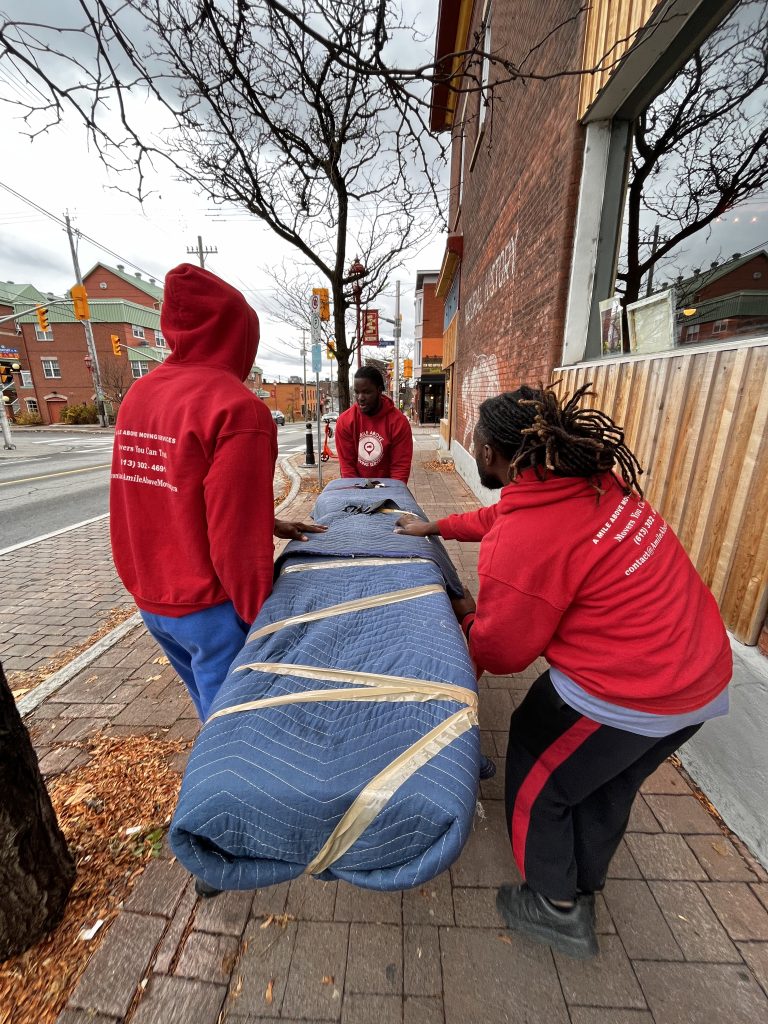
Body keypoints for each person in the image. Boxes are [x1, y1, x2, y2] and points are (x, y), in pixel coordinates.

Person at [396, 383, 731, 960]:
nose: (474, 450)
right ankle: (581, 882)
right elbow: (502, 514)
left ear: (496, 455)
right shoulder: (589, 481)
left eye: (477, 442)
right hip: (699, 675)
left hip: (634, 691)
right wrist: (437, 529)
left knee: (540, 773)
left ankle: (555, 909)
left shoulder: (526, 542)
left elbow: (503, 653)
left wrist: (466, 619)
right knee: (605, 783)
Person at [110, 263, 324, 723]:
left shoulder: (139, 395)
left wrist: (269, 521)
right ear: (239, 334)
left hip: (154, 600)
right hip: (213, 607)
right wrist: (259, 622)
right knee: (237, 735)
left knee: (212, 714)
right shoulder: (238, 408)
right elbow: (234, 535)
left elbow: (167, 495)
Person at [335, 366, 413, 483]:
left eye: (366, 392)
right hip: (356, 488)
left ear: (379, 390)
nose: (360, 398)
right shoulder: (345, 421)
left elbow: (400, 469)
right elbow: (347, 468)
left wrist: (390, 497)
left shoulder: (399, 422)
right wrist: (357, 495)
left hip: (389, 488)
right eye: (357, 392)